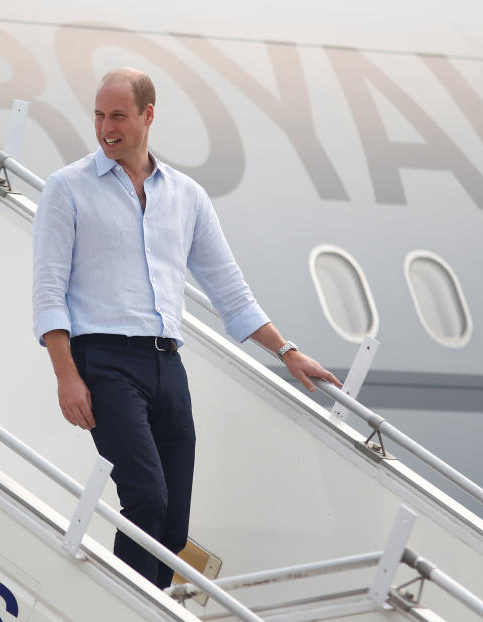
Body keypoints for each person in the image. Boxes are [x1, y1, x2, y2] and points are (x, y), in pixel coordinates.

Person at [32, 68, 342, 587]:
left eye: (119, 116)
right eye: (99, 115)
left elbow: (230, 291)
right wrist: (66, 375)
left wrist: (287, 350)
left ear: (148, 116)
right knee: (146, 496)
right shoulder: (67, 189)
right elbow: (48, 292)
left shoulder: (187, 196)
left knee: (173, 526)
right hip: (103, 363)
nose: (106, 128)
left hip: (167, 366)